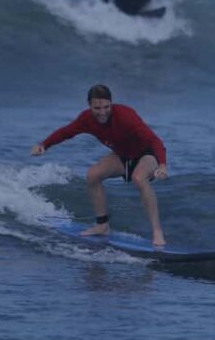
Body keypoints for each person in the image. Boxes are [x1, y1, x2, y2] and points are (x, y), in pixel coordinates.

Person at [31, 84, 169, 246]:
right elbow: (65, 132)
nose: (102, 112)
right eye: (97, 108)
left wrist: (162, 165)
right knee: (93, 175)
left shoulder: (125, 115)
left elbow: (154, 140)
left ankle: (157, 232)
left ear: (111, 103)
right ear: (89, 105)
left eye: (106, 107)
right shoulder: (86, 119)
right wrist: (44, 145)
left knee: (138, 178)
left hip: (147, 154)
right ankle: (102, 225)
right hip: (122, 155)